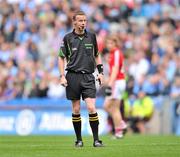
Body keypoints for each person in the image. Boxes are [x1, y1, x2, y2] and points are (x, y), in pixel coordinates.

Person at [58, 11, 104, 147]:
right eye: (80, 20)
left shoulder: (92, 37)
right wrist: (61, 76)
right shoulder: (67, 38)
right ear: (74, 22)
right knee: (76, 109)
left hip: (88, 76)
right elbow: (61, 57)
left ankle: (96, 140)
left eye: (85, 20)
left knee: (91, 107)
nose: (83, 23)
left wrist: (101, 72)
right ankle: (79, 140)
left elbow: (97, 55)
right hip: (72, 76)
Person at [103, 35, 127, 139]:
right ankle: (120, 126)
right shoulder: (113, 54)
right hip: (116, 82)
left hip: (118, 82)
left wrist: (110, 83)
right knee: (109, 107)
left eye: (111, 43)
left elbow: (116, 69)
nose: (109, 45)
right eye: (108, 43)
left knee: (112, 107)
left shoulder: (117, 53)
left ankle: (119, 129)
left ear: (115, 43)